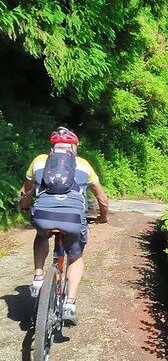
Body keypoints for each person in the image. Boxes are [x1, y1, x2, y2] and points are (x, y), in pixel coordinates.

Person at [18, 127, 109, 325]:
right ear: (74, 148)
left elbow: (26, 192)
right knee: (75, 255)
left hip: (43, 217)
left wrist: (25, 208)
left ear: (52, 148)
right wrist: (102, 217)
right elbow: (102, 198)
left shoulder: (39, 161)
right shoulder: (84, 165)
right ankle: (69, 303)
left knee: (41, 235)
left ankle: (38, 277)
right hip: (73, 220)